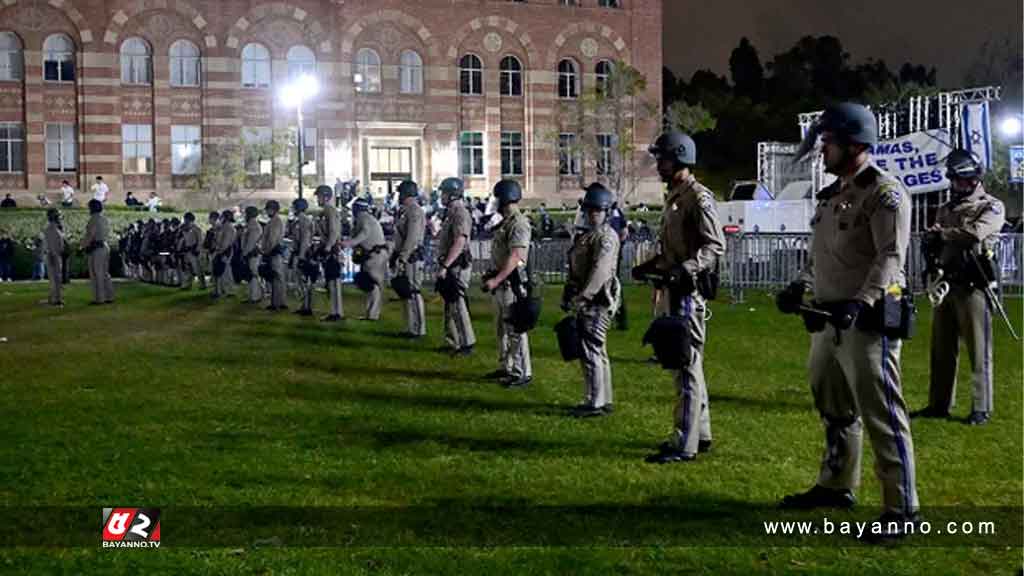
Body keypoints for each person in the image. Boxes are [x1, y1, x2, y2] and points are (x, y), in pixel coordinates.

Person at [775, 102, 918, 540]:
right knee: (833, 405)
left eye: (829, 142)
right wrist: (801, 285)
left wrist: (861, 301)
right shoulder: (834, 195)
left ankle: (902, 510)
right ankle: (837, 484)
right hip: (828, 317)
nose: (822, 150)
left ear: (854, 143)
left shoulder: (884, 192)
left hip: (866, 320)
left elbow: (890, 256)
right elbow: (822, 255)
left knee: (882, 413)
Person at [637, 130, 724, 464]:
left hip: (688, 292)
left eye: (664, 158)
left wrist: (685, 269)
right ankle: (699, 434)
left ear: (680, 158)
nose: (658, 164)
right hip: (674, 287)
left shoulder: (697, 198)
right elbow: (671, 249)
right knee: (689, 366)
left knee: (685, 365)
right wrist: (649, 266)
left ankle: (683, 443)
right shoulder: (675, 196)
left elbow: (714, 245)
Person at [913, 149, 1006, 426]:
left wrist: (941, 234)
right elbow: (941, 240)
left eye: (963, 181)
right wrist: (931, 244)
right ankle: (938, 404)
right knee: (941, 350)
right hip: (947, 284)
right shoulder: (945, 207)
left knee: (979, 351)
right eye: (955, 180)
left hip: (974, 285)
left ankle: (981, 407)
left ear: (975, 179)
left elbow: (975, 233)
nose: (958, 186)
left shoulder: (991, 206)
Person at [564, 183, 621, 417]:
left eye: (596, 211)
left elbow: (600, 271)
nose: (591, 214)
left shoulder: (605, 237)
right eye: (589, 210)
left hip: (596, 300)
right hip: (588, 297)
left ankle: (595, 401)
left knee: (592, 350)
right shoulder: (590, 235)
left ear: (606, 212)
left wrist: (583, 297)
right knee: (596, 349)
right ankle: (602, 397)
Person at [481, 179, 533, 388]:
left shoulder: (519, 223)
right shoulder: (506, 222)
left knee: (515, 330)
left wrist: (496, 279)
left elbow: (516, 256)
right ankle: (507, 367)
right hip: (502, 283)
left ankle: (522, 372)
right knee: (501, 329)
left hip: (512, 284)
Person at [436, 177, 477, 357]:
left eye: (443, 193)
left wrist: (445, 265)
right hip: (452, 263)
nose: (441, 196)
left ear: (451, 194)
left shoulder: (460, 213)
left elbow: (460, 241)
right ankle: (453, 340)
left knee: (457, 303)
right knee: (450, 303)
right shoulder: (452, 212)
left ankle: (467, 342)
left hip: (457, 264)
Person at [343, 198, 388, 321]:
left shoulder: (363, 218)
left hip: (374, 255)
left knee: (372, 284)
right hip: (373, 254)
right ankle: (370, 313)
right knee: (370, 284)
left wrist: (349, 243)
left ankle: (373, 315)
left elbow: (364, 233)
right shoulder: (367, 218)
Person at [392, 180, 426, 338]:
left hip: (411, 256)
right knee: (406, 292)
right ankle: (410, 327)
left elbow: (412, 238)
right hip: (406, 256)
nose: (398, 196)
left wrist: (403, 256)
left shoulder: (414, 211)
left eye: (400, 193)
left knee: (413, 291)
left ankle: (418, 329)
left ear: (406, 194)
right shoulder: (407, 211)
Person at [315, 185, 344, 321]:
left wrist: (327, 248)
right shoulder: (328, 210)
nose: (317, 199)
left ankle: (335, 312)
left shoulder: (329, 211)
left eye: (319, 196)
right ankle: (336, 311)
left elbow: (333, 232)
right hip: (332, 248)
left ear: (325, 197)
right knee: (333, 281)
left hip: (331, 249)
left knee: (332, 281)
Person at [81, 199, 114, 304]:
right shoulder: (104, 219)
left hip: (96, 247)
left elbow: (90, 235)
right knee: (104, 273)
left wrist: (82, 246)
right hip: (104, 246)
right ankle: (109, 296)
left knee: (96, 273)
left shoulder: (94, 219)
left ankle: (99, 298)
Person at [260, 200, 287, 311]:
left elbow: (272, 239)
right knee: (277, 278)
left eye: (268, 209)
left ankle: (277, 303)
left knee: (277, 277)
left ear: (273, 209)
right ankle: (278, 302)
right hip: (274, 252)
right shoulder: (274, 221)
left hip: (274, 252)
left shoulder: (275, 221)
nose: (267, 211)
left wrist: (266, 252)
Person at [291, 197, 315, 316]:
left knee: (303, 281)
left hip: (303, 253)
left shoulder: (303, 220)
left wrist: (301, 256)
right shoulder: (299, 220)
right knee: (301, 281)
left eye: (294, 206)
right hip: (300, 252)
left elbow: (305, 240)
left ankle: (307, 306)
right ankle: (304, 306)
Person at [240, 206, 264, 304]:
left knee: (253, 275)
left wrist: (245, 254)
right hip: (250, 253)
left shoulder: (254, 226)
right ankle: (252, 296)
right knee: (250, 275)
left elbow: (250, 242)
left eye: (246, 213)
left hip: (252, 254)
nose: (245, 215)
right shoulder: (251, 225)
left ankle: (255, 296)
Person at [212, 209, 236, 298]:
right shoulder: (223, 227)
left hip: (225, 252)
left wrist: (220, 251)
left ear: (226, 218)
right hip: (222, 251)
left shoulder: (228, 228)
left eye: (222, 216)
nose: (221, 218)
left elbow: (225, 243)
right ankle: (221, 290)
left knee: (225, 272)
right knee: (220, 272)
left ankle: (229, 291)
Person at [176, 212, 203, 290]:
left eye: (186, 219)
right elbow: (182, 240)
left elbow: (200, 241)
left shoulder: (196, 229)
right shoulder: (184, 229)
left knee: (197, 269)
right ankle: (187, 284)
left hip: (194, 251)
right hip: (187, 251)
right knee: (188, 269)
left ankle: (202, 284)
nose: (185, 221)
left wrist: (197, 250)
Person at [43, 208, 65, 306]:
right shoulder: (53, 229)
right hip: (54, 255)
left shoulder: (51, 229)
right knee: (56, 278)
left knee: (54, 278)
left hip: (53, 255)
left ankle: (55, 299)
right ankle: (55, 298)